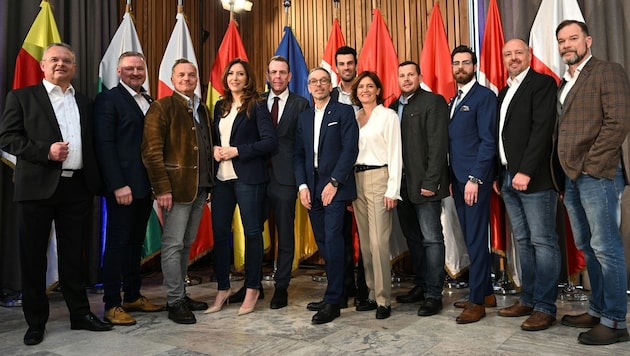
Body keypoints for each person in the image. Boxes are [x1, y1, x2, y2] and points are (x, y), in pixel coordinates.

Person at [0, 43, 112, 346]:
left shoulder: (86, 103)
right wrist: (45, 151)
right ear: (42, 65)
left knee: (74, 256)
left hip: (77, 187)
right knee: (33, 257)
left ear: (74, 67)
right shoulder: (22, 98)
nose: (60, 64)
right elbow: (7, 138)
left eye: (67, 61)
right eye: (54, 60)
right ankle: (35, 322)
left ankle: (80, 315)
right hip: (36, 188)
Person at [555, 20, 630, 346]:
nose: (566, 45)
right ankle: (598, 309)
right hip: (571, 178)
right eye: (561, 40)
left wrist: (591, 166)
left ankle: (614, 321)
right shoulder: (565, 81)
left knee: (606, 248)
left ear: (588, 40)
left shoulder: (607, 71)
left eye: (573, 38)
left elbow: (618, 121)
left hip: (597, 175)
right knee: (588, 247)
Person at [492, 39, 560, 331]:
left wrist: (526, 171)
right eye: (508, 54)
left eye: (519, 53)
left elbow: (542, 130)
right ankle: (529, 299)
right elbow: (501, 136)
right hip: (507, 178)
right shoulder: (505, 91)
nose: (513, 57)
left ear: (529, 55)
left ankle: (545, 306)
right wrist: (500, 174)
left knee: (543, 242)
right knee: (522, 241)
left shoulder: (542, 84)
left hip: (533, 179)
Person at [93, 51, 162, 326]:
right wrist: (117, 184)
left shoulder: (148, 100)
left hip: (146, 187)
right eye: (129, 68)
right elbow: (105, 145)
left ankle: (132, 295)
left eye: (140, 68)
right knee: (117, 245)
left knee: (135, 244)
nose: (135, 73)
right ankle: (111, 304)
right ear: (119, 72)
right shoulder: (108, 100)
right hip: (123, 188)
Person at [141, 58, 212, 324]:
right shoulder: (162, 107)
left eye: (191, 75)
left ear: (196, 79)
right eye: (181, 75)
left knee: (185, 245)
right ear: (172, 79)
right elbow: (151, 151)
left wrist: (210, 185)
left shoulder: (201, 108)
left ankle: (181, 293)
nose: (186, 79)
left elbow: (205, 146)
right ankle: (174, 301)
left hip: (200, 188)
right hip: (174, 190)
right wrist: (161, 188)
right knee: (172, 245)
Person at [206, 58, 277, 316]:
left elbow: (270, 142)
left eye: (240, 74)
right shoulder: (219, 106)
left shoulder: (257, 105)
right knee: (221, 233)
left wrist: (237, 150)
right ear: (225, 78)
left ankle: (252, 287)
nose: (235, 78)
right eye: (231, 73)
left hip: (249, 177)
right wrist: (214, 149)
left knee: (252, 233)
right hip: (222, 179)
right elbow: (214, 139)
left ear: (248, 79)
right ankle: (223, 288)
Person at [294, 67, 359, 324]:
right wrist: (302, 186)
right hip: (311, 186)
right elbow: (298, 154)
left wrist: (334, 182)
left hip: (336, 186)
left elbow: (350, 150)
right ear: (308, 87)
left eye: (323, 80)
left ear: (330, 85)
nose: (318, 85)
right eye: (313, 81)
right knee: (323, 241)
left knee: (333, 240)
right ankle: (337, 291)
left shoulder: (343, 112)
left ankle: (333, 301)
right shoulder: (304, 116)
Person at [389, 61, 450, 316]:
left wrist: (431, 182)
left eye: (410, 74)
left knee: (432, 239)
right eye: (401, 75)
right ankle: (421, 284)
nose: (405, 79)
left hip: (425, 185)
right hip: (401, 186)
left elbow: (438, 146)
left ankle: (434, 294)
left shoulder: (433, 102)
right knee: (413, 239)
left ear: (419, 76)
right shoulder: (392, 107)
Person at [448, 45, 497, 324]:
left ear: (474, 66)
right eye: (456, 63)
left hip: (474, 181)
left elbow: (487, 141)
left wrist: (475, 178)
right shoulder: (453, 99)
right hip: (458, 179)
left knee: (477, 239)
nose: (461, 67)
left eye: (466, 62)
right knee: (471, 238)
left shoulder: (484, 97)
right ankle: (486, 291)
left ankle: (477, 302)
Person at [350, 71, 402, 319]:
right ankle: (371, 294)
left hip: (379, 178)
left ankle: (384, 299)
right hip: (357, 181)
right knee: (367, 244)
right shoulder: (355, 116)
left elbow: (395, 154)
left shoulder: (388, 116)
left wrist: (393, 189)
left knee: (380, 243)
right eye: (361, 87)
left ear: (378, 90)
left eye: (370, 86)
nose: (365, 90)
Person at [264, 56, 310, 309]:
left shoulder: (301, 104)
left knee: (285, 233)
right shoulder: (258, 102)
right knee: (251, 231)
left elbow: (303, 144)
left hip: (286, 177)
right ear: (268, 76)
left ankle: (281, 286)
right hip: (257, 176)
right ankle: (253, 285)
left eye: (282, 72)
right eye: (273, 72)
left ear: (290, 76)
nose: (278, 76)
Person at [332, 46, 369, 306]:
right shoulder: (330, 96)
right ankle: (344, 288)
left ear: (356, 65)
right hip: (339, 176)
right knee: (342, 235)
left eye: (350, 63)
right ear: (336, 67)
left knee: (367, 234)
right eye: (341, 64)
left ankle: (365, 289)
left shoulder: (366, 94)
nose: (346, 67)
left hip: (366, 171)